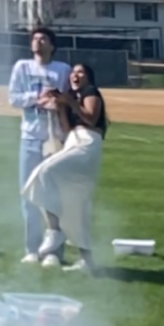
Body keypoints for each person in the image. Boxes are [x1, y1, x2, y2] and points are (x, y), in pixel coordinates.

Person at [22, 62, 109, 273]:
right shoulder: (73, 97)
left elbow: (91, 118)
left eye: (80, 72)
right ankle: (87, 263)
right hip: (73, 141)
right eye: (73, 73)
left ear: (88, 77)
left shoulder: (91, 93)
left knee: (44, 172)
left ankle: (54, 230)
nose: (75, 76)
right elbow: (67, 129)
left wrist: (70, 101)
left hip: (87, 144)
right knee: (76, 205)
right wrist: (61, 106)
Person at [7, 26, 72, 265]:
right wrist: (37, 98)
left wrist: (59, 100)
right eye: (35, 39)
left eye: (43, 39)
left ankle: (54, 252)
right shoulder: (22, 67)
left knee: (54, 197)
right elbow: (13, 98)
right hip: (30, 139)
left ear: (52, 45)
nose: (38, 42)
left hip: (55, 141)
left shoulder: (62, 70)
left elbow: (70, 99)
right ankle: (32, 249)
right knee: (29, 196)